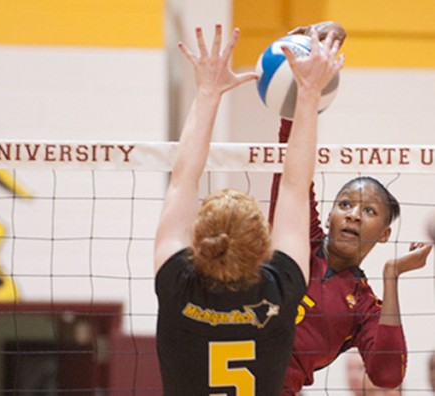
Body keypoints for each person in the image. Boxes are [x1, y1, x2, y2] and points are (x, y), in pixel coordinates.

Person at [154, 24, 343, 395]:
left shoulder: (179, 285)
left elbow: (181, 180)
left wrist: (207, 91)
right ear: (262, 248)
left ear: (198, 239)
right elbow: (293, 188)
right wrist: (308, 93)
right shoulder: (280, 289)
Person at [268, 21, 433, 396]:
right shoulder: (300, 241)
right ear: (328, 215)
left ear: (386, 233)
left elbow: (388, 376)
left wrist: (392, 276)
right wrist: (297, 83)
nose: (354, 215)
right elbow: (292, 170)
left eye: (369, 211)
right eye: (344, 204)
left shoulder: (363, 305)